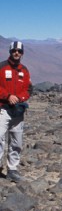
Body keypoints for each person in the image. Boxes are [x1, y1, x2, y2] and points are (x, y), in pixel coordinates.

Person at [0, 41, 31, 182]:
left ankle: (12, 169)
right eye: (14, 51)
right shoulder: (1, 67)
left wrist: (19, 98)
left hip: (18, 110)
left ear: (22, 53)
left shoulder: (24, 70)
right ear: (10, 52)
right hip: (3, 108)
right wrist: (7, 96)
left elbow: (28, 89)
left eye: (19, 51)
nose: (16, 53)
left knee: (16, 141)